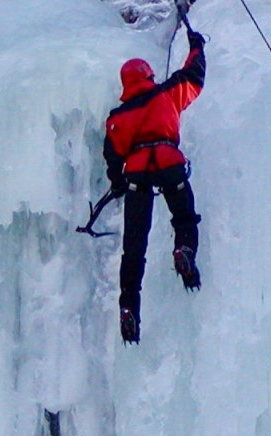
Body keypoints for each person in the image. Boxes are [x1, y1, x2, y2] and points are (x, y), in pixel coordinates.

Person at [102, 22, 207, 344]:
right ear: (148, 76)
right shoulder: (166, 94)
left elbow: (112, 158)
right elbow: (194, 77)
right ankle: (184, 251)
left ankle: (128, 308)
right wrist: (196, 45)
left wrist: (118, 183)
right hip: (169, 164)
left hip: (137, 175)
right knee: (184, 219)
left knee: (134, 247)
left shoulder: (117, 117)